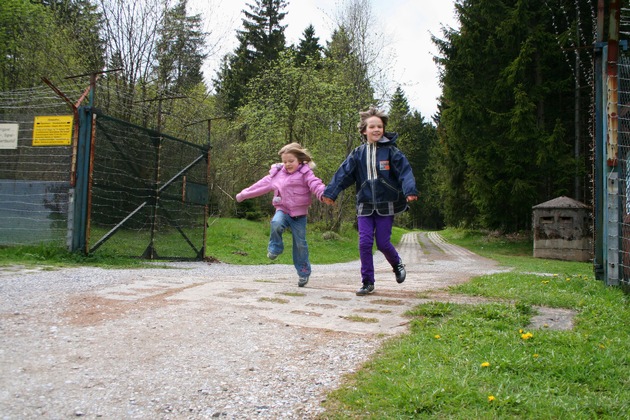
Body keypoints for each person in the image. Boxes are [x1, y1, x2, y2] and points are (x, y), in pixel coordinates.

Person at [322, 107, 418, 296]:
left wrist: (410, 190)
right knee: (365, 243)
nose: (376, 130)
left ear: (383, 129)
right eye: (372, 126)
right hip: (364, 205)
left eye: (379, 127)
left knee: (382, 243)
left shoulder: (392, 152)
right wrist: (331, 193)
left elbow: (405, 172)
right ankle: (367, 282)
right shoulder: (358, 154)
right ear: (364, 131)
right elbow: (343, 174)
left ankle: (397, 263)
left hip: (386, 204)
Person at [236, 143, 326, 287]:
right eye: (285, 161)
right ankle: (276, 247)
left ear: (300, 160)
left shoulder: (305, 173)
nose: (288, 164)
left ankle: (303, 273)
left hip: (299, 215)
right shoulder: (277, 174)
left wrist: (324, 194)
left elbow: (316, 184)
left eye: (291, 161)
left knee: (300, 244)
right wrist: (243, 194)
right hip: (282, 209)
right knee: (276, 223)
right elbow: (260, 185)